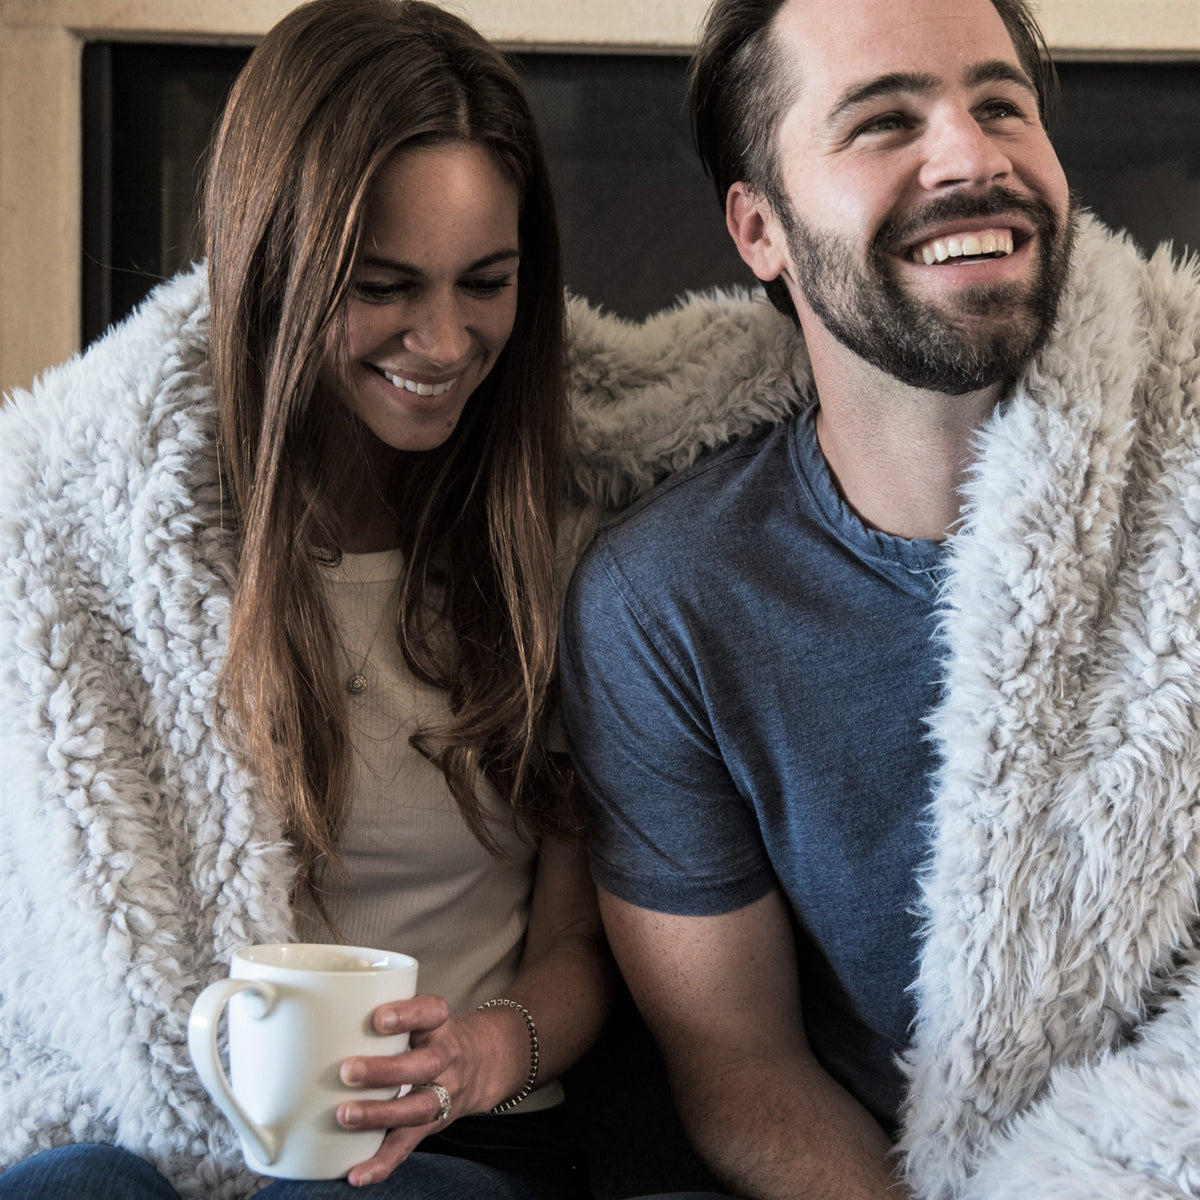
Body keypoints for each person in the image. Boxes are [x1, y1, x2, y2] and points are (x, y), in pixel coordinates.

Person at [558, 0, 1200, 1198]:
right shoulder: (667, 602)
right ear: (761, 228)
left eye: (1002, 104)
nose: (972, 155)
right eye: (883, 122)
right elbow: (741, 1068)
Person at [0, 1, 615, 1196]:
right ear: (274, 266)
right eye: (383, 286)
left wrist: (483, 1053)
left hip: (459, 1142)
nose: (444, 341)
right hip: (191, 1124)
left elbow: (580, 942)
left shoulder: (567, 532)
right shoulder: (115, 554)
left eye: (485, 282)